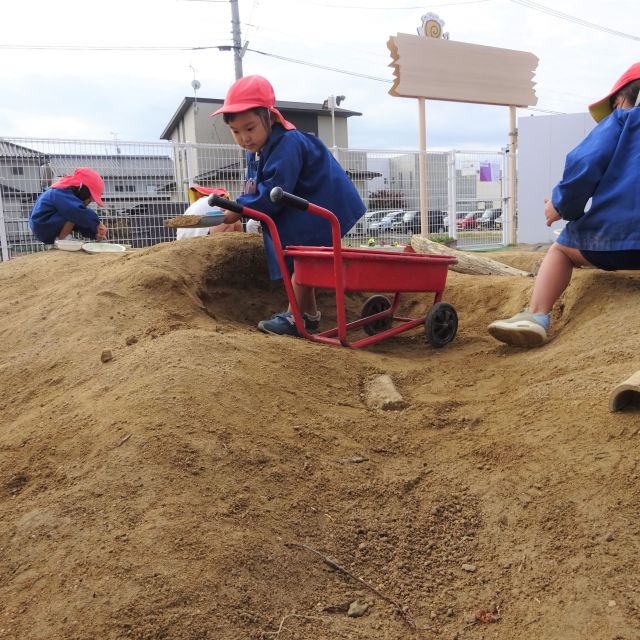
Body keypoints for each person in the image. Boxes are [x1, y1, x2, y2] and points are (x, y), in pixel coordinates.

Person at [488, 62, 640, 348]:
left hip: (613, 238)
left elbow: (585, 162)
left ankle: (536, 316)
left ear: (620, 101)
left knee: (562, 250)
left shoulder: (621, 121)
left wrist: (561, 205)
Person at [211, 74, 366, 336]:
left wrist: (239, 208)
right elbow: (255, 187)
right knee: (300, 262)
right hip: (301, 205)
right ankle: (310, 315)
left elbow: (274, 189)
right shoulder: (259, 149)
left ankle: (294, 317)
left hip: (325, 203)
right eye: (236, 132)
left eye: (250, 128)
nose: (244, 138)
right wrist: (243, 207)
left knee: (303, 258)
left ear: (269, 117)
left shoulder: (288, 143)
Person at [29, 167, 107, 245]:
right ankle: (62, 240)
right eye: (89, 199)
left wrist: (94, 233)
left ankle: (60, 240)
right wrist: (97, 223)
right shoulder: (60, 193)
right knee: (74, 213)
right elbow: (77, 212)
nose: (89, 203)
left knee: (76, 214)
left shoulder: (62, 192)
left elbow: (80, 221)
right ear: (83, 190)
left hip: (44, 224)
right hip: (43, 225)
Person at [176, 185, 242, 240]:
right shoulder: (220, 201)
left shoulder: (198, 203)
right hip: (198, 236)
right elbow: (231, 215)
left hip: (181, 236)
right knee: (233, 221)